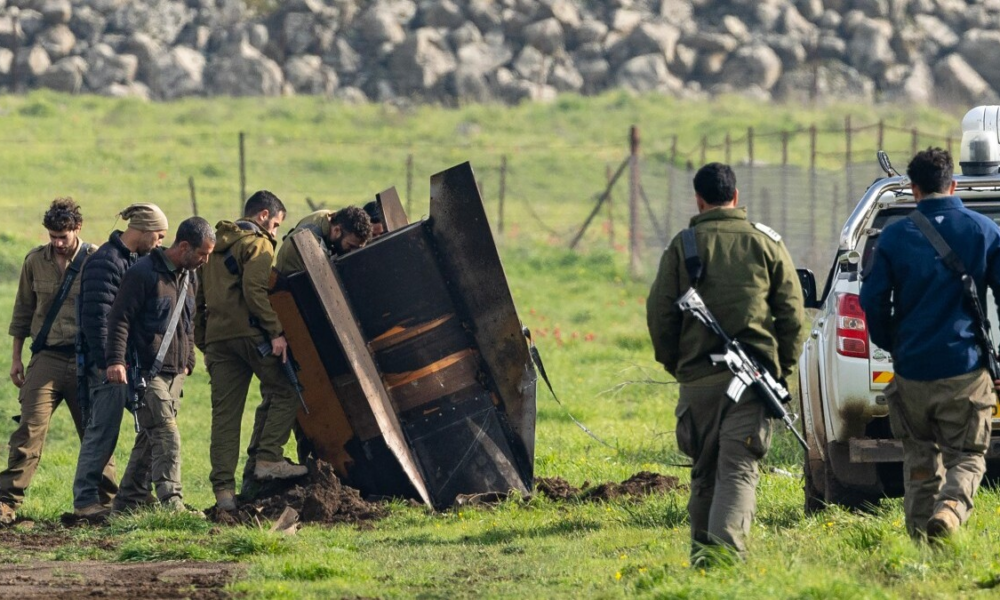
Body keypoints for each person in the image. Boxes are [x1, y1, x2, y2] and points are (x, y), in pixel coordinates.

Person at [646, 163, 805, 562]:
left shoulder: (684, 246)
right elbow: (791, 313)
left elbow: (659, 314)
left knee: (704, 474)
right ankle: (724, 562)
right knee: (736, 471)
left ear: (699, 200)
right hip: (751, 387)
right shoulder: (765, 242)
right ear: (736, 196)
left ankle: (703, 563)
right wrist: (780, 369)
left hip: (698, 383)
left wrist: (679, 366)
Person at [860, 148, 1000, 541]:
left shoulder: (893, 236)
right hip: (965, 370)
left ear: (913, 189)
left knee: (920, 462)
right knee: (969, 456)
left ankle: (924, 553)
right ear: (953, 185)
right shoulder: (983, 230)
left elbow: (871, 300)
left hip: (911, 372)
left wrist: (892, 344)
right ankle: (953, 507)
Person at [195, 191, 308, 512]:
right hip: (250, 335)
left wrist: (205, 342)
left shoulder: (213, 248)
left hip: (218, 341)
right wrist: (275, 332)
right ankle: (269, 457)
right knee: (287, 390)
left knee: (225, 418)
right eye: (274, 224)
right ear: (262, 215)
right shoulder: (256, 244)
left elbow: (198, 300)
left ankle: (224, 494)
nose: (274, 232)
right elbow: (255, 291)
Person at [0, 198, 100, 525]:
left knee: (95, 433)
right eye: (52, 236)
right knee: (29, 429)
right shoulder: (34, 261)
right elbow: (22, 313)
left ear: (77, 229)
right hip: (46, 358)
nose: (57, 243)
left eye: (63, 236)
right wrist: (16, 359)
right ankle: (6, 502)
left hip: (87, 361)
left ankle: (104, 504)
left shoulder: (97, 260)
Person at [105, 217, 214, 512]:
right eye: (202, 254)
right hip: (144, 372)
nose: (205, 261)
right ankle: (171, 501)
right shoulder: (142, 273)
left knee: (148, 439)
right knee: (167, 433)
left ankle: (127, 501)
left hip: (174, 373)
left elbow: (188, 322)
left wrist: (188, 360)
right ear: (183, 246)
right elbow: (119, 319)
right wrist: (116, 360)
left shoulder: (190, 277)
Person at [71, 203, 168, 520]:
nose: (159, 242)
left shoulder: (135, 260)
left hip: (130, 363)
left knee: (156, 424)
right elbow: (97, 318)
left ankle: (137, 494)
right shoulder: (105, 263)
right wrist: (110, 362)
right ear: (143, 230)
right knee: (102, 432)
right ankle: (85, 501)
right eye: (158, 235)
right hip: (110, 367)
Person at [274, 206, 373, 275]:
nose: (352, 252)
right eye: (350, 246)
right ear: (337, 230)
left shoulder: (330, 218)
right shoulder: (311, 242)